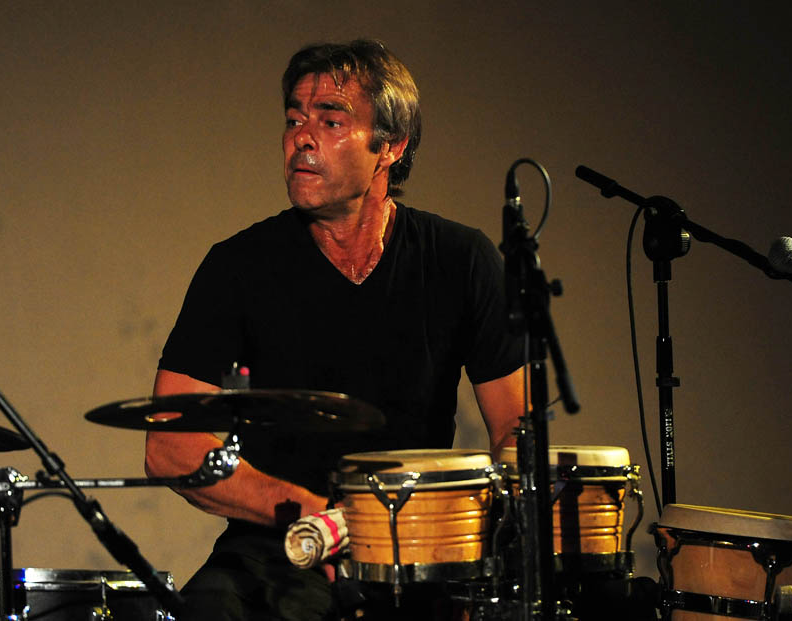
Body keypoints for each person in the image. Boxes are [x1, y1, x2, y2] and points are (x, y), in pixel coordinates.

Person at [144, 39, 526, 620]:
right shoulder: (239, 266)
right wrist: (310, 511)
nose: (302, 137)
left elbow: (517, 431)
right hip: (281, 549)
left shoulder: (460, 259)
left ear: (390, 147)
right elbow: (170, 445)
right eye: (293, 119)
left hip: (415, 558)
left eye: (330, 120)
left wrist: (472, 527)